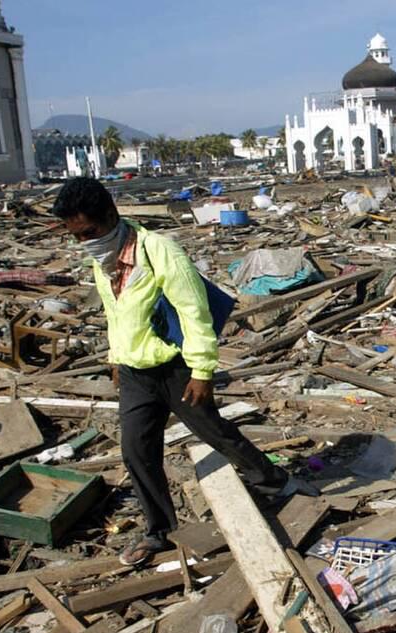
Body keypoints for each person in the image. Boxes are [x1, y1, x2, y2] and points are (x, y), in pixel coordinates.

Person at [52, 178, 307, 566]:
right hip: (136, 373)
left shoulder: (159, 251)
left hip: (176, 369)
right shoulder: (101, 259)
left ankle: (276, 482)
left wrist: (202, 370)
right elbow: (116, 313)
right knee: (136, 452)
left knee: (215, 432)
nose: (85, 241)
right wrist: (117, 358)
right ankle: (159, 531)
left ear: (112, 216)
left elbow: (194, 312)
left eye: (90, 232)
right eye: (77, 236)